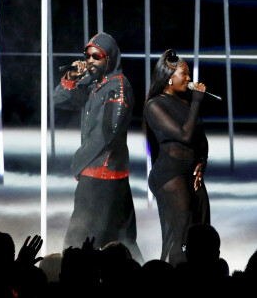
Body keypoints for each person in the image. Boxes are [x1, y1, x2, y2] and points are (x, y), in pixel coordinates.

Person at [53, 32, 143, 263]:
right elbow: (58, 100)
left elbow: (105, 136)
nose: (90, 61)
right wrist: (72, 76)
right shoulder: (95, 83)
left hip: (102, 176)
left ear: (110, 60)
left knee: (80, 241)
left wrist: (78, 164)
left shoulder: (118, 87)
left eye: (97, 57)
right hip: (104, 174)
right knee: (121, 240)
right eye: (88, 56)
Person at [143, 49, 210, 267]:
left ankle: (199, 270)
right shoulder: (155, 105)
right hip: (169, 175)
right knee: (182, 232)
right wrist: (197, 102)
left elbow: (200, 138)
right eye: (185, 74)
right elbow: (184, 135)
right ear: (170, 77)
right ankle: (177, 273)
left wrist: (202, 163)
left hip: (190, 173)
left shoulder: (184, 102)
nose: (189, 79)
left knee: (201, 228)